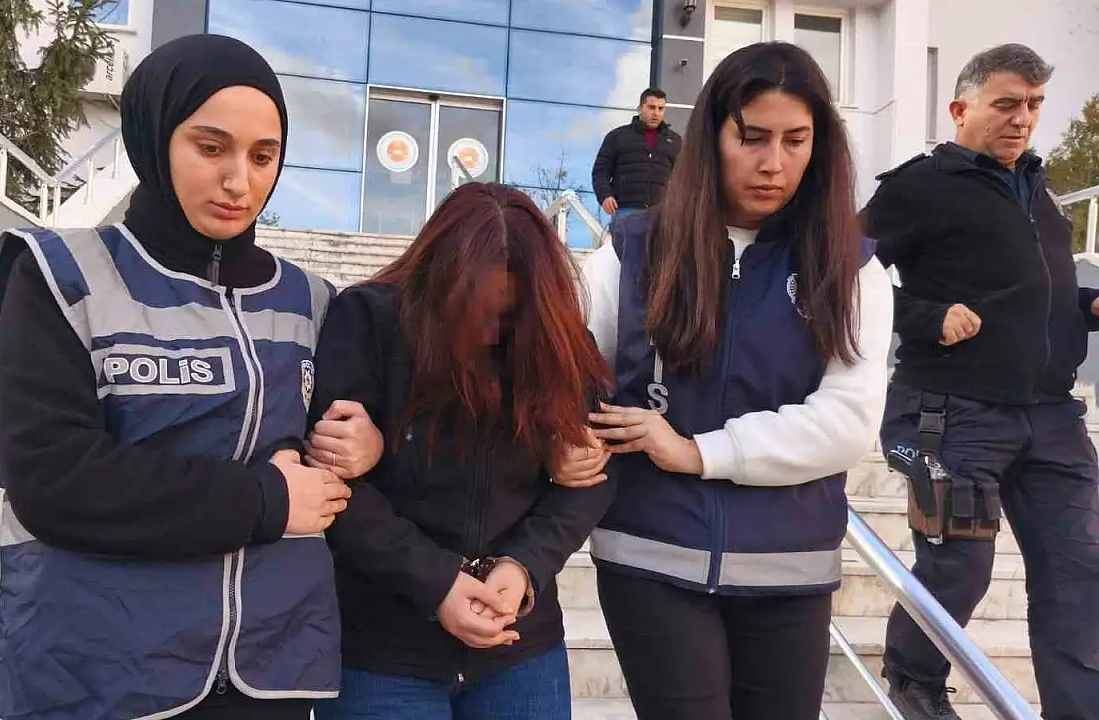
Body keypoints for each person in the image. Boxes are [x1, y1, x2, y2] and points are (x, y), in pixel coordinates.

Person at [0, 34, 380, 720]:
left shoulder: (310, 301)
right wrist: (265, 499)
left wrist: (365, 442)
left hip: (265, 670)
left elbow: (338, 449)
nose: (239, 181)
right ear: (155, 140)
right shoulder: (63, 276)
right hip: (92, 670)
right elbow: (54, 478)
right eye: (211, 148)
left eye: (263, 156)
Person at [582, 42, 893, 720]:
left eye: (795, 140)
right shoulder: (629, 253)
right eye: (751, 137)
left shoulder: (851, 268)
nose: (773, 162)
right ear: (712, 137)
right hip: (650, 554)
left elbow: (847, 421)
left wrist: (698, 451)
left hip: (792, 563)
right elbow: (575, 383)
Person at [307, 182, 616, 720]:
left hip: (521, 647)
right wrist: (436, 582)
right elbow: (333, 486)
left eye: (510, 316)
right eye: (478, 313)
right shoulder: (370, 319)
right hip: (383, 653)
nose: (493, 334)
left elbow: (595, 475)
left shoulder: (558, 337)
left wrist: (524, 566)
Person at [863, 43, 1099, 720]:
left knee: (1081, 576)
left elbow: (1030, 292)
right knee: (958, 567)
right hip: (947, 415)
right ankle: (913, 676)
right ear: (960, 109)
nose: (1023, 118)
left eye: (1034, 105)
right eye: (1007, 104)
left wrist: (1087, 305)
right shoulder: (917, 186)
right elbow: (833, 277)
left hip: (1051, 418)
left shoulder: (1038, 191)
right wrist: (925, 317)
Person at [591, 88, 682, 222]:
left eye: (660, 108)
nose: (656, 113)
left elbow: (683, 178)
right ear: (640, 108)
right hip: (626, 211)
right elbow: (600, 171)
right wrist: (605, 196)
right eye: (651, 107)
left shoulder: (675, 141)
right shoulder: (617, 136)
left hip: (662, 215)